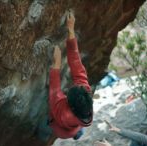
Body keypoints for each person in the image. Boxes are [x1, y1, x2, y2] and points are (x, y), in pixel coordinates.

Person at [48, 11, 93, 140]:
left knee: (49, 129)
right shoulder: (86, 94)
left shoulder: (64, 114)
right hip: (79, 120)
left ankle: (74, 133)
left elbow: (54, 92)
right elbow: (77, 66)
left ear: (70, 106)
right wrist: (71, 31)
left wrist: (56, 64)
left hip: (62, 129)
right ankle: (78, 132)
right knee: (77, 128)